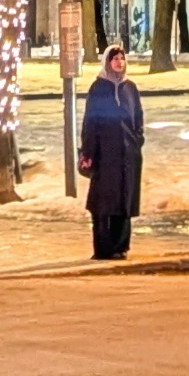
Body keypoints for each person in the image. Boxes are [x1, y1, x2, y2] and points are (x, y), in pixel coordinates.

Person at [77, 42, 144, 262]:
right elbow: (90, 122)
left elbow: (138, 117)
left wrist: (136, 140)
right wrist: (88, 152)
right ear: (107, 62)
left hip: (127, 155)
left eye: (122, 58)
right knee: (103, 203)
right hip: (105, 155)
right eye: (115, 59)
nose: (119, 62)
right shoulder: (99, 88)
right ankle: (103, 247)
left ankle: (120, 246)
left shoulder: (130, 88)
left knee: (124, 201)